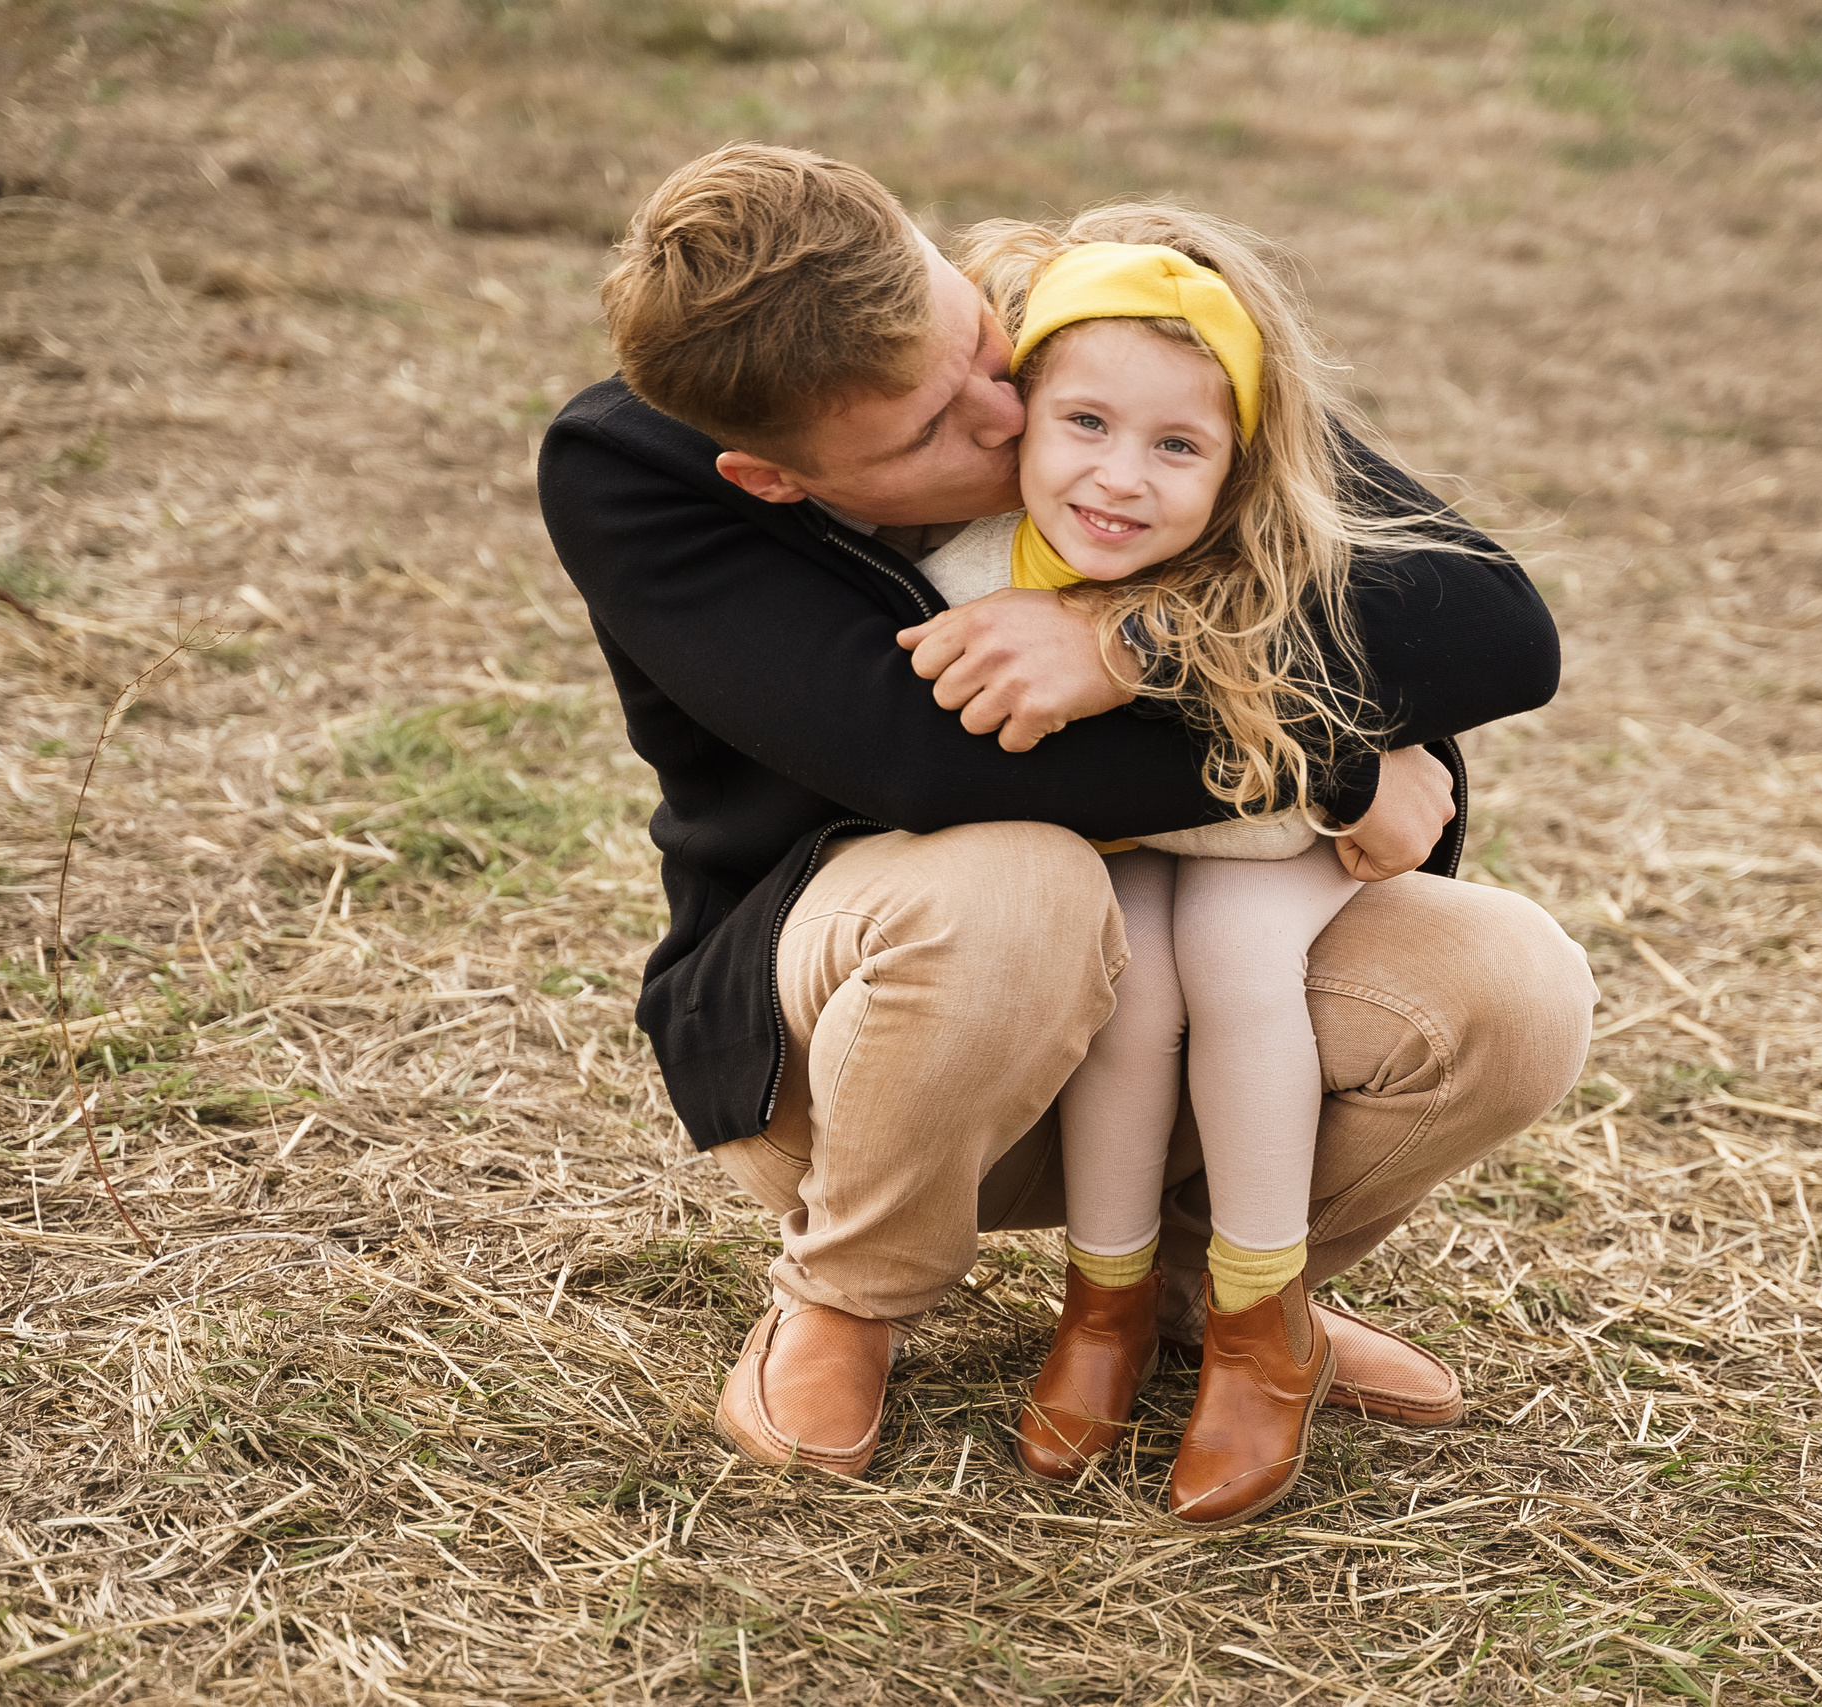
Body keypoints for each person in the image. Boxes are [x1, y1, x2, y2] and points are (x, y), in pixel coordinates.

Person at [536, 142, 1596, 1503]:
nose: (1005, 412)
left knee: (1508, 987)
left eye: (980, 348)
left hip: (1178, 1013)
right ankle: (847, 1299)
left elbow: (1498, 626)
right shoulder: (634, 472)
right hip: (866, 1045)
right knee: (1020, 887)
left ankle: (1212, 1297)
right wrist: (1321, 770)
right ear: (772, 480)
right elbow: (932, 766)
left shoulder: (1073, 319)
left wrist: (1137, 639)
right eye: (925, 433)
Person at [916, 210, 1466, 1526]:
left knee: (1225, 949)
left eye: (1178, 446)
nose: (1122, 478)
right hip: (1133, 851)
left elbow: (1289, 816)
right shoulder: (968, 575)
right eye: (1086, 425)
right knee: (1133, 984)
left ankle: (1257, 1321)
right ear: (1021, 421)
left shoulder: (1273, 574)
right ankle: (1102, 1308)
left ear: (1236, 467)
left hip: (1286, 846)